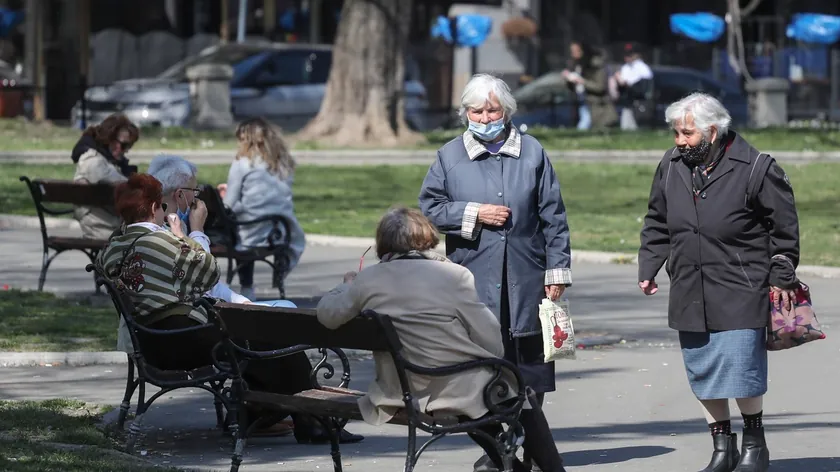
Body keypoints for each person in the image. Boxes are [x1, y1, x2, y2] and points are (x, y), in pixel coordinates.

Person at [97, 173, 363, 442]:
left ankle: (262, 413)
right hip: (179, 340)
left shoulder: (114, 246)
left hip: (151, 342)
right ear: (155, 207)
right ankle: (301, 420)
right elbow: (208, 273)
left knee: (263, 336)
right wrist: (193, 232)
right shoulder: (158, 242)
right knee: (274, 333)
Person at [316, 208, 566, 472]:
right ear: (426, 237)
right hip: (454, 389)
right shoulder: (454, 275)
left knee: (481, 393)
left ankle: (512, 466)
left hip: (399, 390)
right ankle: (551, 469)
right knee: (510, 391)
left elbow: (327, 315)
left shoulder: (367, 280)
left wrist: (346, 285)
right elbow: (492, 341)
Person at [638, 92, 800, 472]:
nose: (679, 140)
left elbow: (784, 229)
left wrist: (781, 272)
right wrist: (649, 265)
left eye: (687, 133)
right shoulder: (671, 164)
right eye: (676, 132)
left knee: (742, 368)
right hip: (690, 284)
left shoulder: (757, 166)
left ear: (713, 130)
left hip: (741, 283)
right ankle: (722, 447)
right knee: (702, 368)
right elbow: (657, 220)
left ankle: (754, 446)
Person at [418, 73, 571, 472]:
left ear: (507, 111)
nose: (485, 117)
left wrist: (557, 270)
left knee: (531, 372)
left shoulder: (532, 152)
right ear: (464, 113)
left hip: (528, 276)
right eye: (476, 109)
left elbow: (553, 216)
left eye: (492, 109)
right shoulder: (450, 156)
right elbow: (431, 208)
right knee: (481, 374)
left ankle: (533, 451)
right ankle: (499, 450)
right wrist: (474, 212)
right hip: (475, 280)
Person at [216, 118, 306, 301]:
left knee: (227, 223)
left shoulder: (242, 163)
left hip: (251, 231)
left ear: (245, 140)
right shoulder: (283, 163)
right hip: (282, 230)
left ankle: (246, 286)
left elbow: (230, 205)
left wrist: (224, 195)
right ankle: (279, 278)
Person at [71, 113, 139, 239]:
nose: (125, 150)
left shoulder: (107, 161)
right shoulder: (92, 160)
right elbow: (123, 184)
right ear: (109, 138)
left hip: (109, 224)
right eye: (124, 145)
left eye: (129, 146)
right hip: (101, 227)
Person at [561, 41, 616, 130]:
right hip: (582, 102)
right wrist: (568, 79)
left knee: (586, 128)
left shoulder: (595, 65)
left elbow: (600, 87)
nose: (573, 54)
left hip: (597, 105)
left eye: (576, 51)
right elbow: (573, 88)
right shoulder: (576, 65)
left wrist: (581, 81)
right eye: (572, 51)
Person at [610, 42, 654, 130]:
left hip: (638, 105)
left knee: (636, 129)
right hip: (627, 104)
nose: (627, 57)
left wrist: (627, 85)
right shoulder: (625, 67)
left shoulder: (643, 69)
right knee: (626, 128)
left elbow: (642, 90)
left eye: (630, 54)